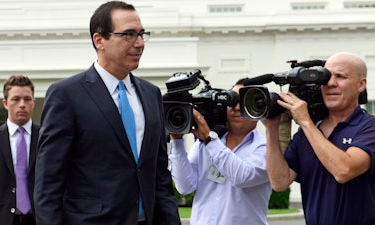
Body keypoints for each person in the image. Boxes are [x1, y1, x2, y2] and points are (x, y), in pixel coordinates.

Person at [34, 1, 181, 225]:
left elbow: (159, 176)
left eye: (142, 34)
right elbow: (48, 182)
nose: (139, 43)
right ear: (99, 40)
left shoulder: (152, 95)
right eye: (129, 35)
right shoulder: (66, 95)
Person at [263, 52, 375, 225]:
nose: (331, 83)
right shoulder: (307, 134)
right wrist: (271, 128)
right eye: (326, 77)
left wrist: (306, 122)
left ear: (361, 84)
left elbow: (344, 170)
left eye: (341, 77)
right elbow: (280, 182)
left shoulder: (369, 127)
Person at [169, 79, 272, 225]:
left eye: (242, 101)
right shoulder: (204, 143)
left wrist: (209, 139)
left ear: (257, 107)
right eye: (232, 100)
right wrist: (177, 141)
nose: (235, 107)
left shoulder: (265, 147)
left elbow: (242, 177)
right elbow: (185, 187)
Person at [0, 75, 39, 225]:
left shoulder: (46, 138)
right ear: (5, 103)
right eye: (16, 99)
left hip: (39, 218)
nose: (22, 104)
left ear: (33, 102)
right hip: (1, 219)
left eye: (27, 99)